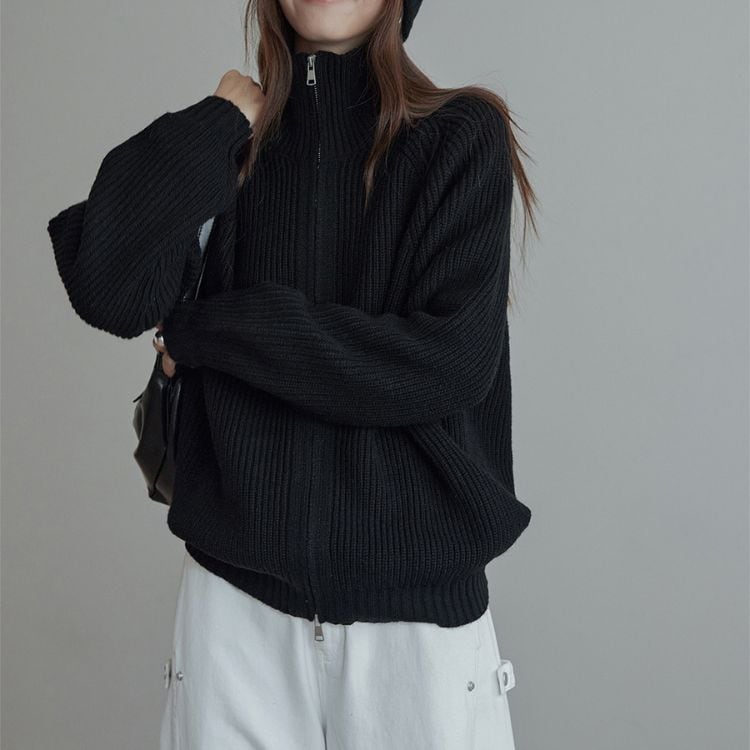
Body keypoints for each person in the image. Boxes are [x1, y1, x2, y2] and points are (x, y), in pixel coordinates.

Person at [47, 0, 539, 747]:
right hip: (233, 617)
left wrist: (209, 329)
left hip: (414, 636)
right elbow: (106, 289)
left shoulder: (459, 137)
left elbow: (443, 365)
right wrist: (213, 124)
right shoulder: (229, 151)